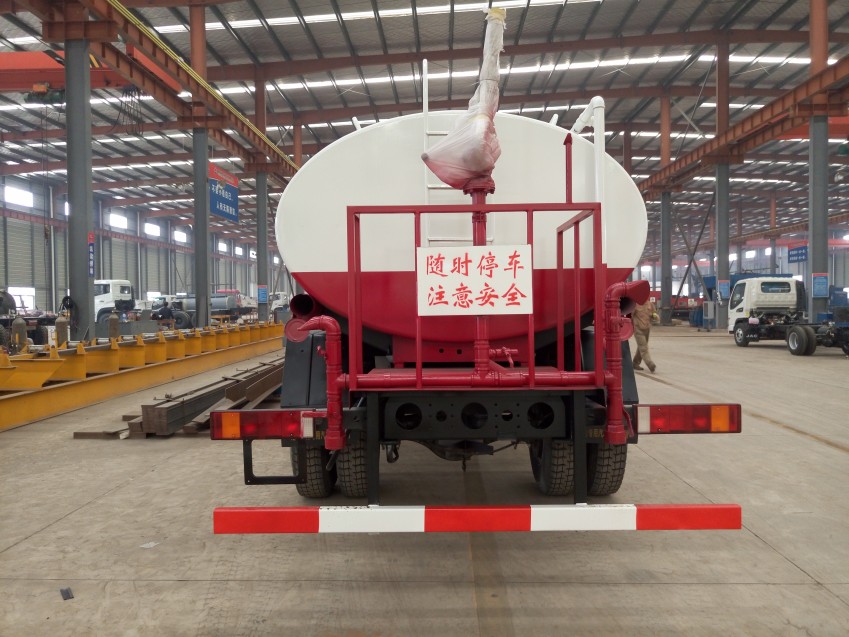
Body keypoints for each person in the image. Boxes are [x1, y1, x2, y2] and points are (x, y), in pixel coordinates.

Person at [631, 297, 658, 373]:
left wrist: (654, 316)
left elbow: (654, 313)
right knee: (644, 348)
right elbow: (630, 316)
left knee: (641, 347)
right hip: (638, 329)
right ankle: (650, 364)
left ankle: (635, 363)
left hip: (647, 329)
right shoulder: (635, 305)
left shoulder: (650, 304)